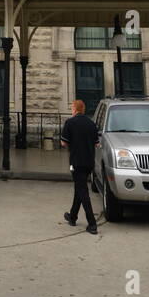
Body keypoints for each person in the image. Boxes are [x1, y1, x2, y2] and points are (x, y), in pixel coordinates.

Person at [60, 98, 100, 234]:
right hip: (89, 162)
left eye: (72, 108)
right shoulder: (91, 123)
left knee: (82, 191)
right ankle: (72, 216)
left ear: (74, 109)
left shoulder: (70, 123)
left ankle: (92, 224)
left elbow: (63, 143)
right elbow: (96, 143)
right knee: (80, 187)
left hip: (76, 162)